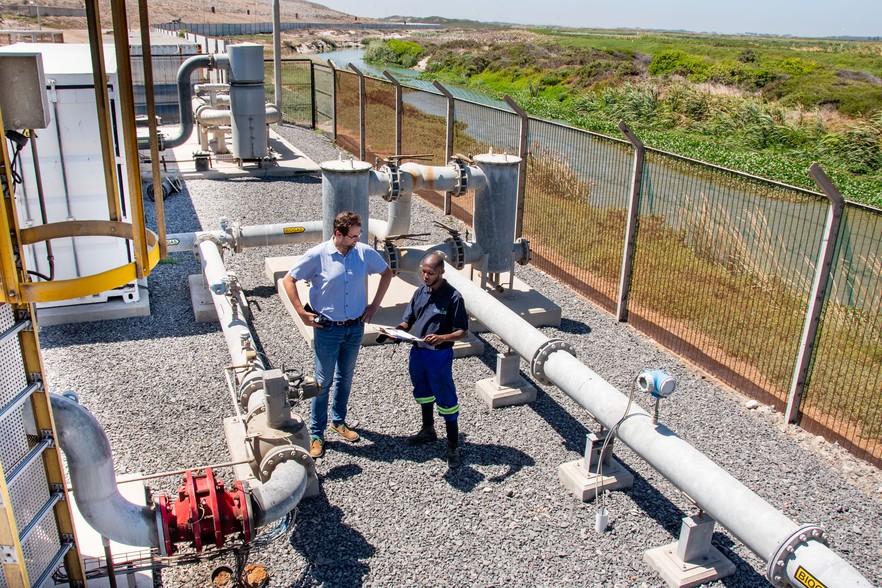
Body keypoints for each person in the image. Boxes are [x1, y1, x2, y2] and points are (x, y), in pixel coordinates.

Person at [282, 211, 393, 459]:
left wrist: (374, 306)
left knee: (346, 377)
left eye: (358, 235)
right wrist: (301, 312)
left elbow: (387, 273)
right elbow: (289, 280)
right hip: (328, 330)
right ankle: (316, 433)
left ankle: (338, 421)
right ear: (338, 234)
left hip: (355, 327)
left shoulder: (363, 253)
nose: (357, 240)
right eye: (353, 236)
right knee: (322, 382)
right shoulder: (317, 255)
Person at [389, 252, 468, 468]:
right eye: (423, 272)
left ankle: (453, 446)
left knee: (445, 396)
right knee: (422, 390)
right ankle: (428, 430)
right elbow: (408, 320)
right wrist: (397, 331)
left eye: (430, 273)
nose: (425, 276)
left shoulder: (453, 298)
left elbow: (462, 331)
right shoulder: (420, 292)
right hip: (418, 351)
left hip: (438, 355)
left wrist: (442, 338)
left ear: (441, 272)